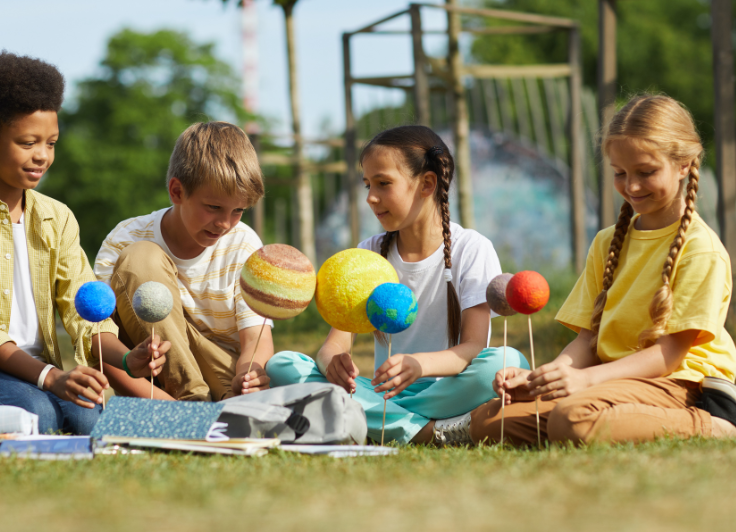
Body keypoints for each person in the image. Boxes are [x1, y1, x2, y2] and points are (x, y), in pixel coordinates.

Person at [470, 94, 736, 446]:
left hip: (679, 384)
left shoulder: (701, 249)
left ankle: (712, 426)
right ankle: (594, 418)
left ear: (684, 165)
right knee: (488, 420)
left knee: (573, 418)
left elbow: (669, 356)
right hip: (610, 382)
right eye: (620, 173)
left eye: (646, 172)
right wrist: (546, 379)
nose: (632, 186)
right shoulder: (606, 242)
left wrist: (587, 381)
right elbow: (587, 340)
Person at [0, 52, 168, 435]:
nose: (42, 155)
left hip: (40, 370)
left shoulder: (57, 218)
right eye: (28, 142)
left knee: (87, 414)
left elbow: (84, 314)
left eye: (51, 142)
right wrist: (52, 378)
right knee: (38, 413)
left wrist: (129, 360)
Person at [267, 125, 528, 445]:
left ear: (427, 184)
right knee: (282, 365)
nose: (370, 197)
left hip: (449, 389)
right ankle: (431, 431)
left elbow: (474, 347)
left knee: (507, 362)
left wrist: (419, 365)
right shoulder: (367, 254)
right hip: (383, 393)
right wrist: (331, 362)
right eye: (367, 185)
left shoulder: (472, 248)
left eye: (383, 183)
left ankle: (378, 420)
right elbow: (335, 344)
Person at [94, 121, 272, 402]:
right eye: (213, 207)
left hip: (223, 379)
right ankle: (192, 405)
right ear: (177, 191)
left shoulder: (244, 245)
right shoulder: (124, 239)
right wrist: (167, 406)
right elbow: (99, 343)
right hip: (155, 387)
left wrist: (250, 375)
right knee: (140, 258)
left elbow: (256, 339)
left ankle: (216, 410)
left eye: (238, 210)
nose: (225, 223)